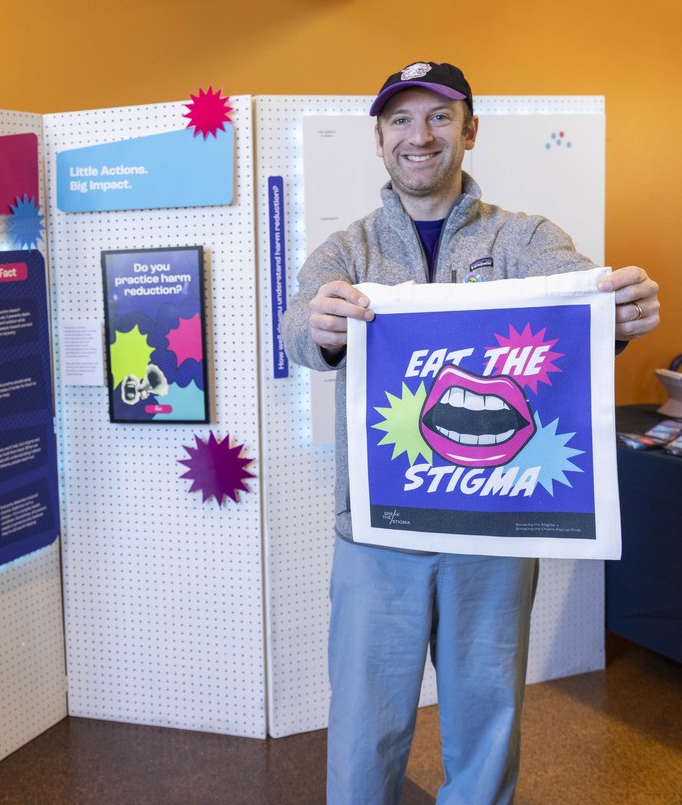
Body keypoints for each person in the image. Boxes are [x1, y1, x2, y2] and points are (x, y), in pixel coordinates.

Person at [281, 60, 660, 804]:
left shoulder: (525, 238)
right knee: (365, 723)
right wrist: (316, 329)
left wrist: (617, 313)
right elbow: (299, 323)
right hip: (376, 532)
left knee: (487, 720)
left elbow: (582, 296)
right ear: (379, 138)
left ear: (470, 130)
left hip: (492, 532)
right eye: (400, 119)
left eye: (439, 117)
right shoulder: (346, 250)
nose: (418, 136)